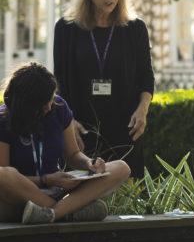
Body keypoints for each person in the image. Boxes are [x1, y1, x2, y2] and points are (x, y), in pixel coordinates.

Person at [53, 0, 154, 176]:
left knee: (128, 194)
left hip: (125, 123)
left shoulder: (135, 28)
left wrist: (142, 110)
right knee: (86, 191)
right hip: (81, 124)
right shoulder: (66, 28)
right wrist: (68, 122)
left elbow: (146, 75)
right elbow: (58, 81)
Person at [0, 62, 131, 224]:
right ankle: (69, 211)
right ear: (27, 104)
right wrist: (46, 180)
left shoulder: (59, 107)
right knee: (3, 174)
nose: (49, 106)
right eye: (44, 103)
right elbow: (5, 178)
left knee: (121, 168)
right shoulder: (3, 120)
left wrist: (89, 163)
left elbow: (73, 155)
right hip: (22, 195)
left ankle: (52, 213)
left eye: (50, 98)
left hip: (59, 189)